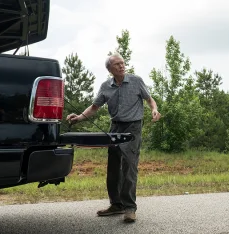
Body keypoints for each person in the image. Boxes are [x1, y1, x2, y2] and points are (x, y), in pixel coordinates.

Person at [67, 52, 161, 223]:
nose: (122, 66)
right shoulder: (105, 86)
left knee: (129, 167)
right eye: (117, 64)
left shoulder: (136, 81)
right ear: (110, 69)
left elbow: (150, 99)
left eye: (123, 63)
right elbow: (94, 107)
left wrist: (154, 109)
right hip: (115, 126)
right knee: (113, 166)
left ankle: (130, 208)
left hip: (133, 127)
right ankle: (116, 204)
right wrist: (79, 118)